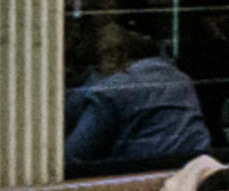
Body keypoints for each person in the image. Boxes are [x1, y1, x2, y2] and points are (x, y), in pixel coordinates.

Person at [63, 26, 212, 177]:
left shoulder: (114, 89)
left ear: (115, 54)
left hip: (142, 182)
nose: (98, 68)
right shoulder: (181, 80)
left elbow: (72, 158)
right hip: (196, 174)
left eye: (100, 58)